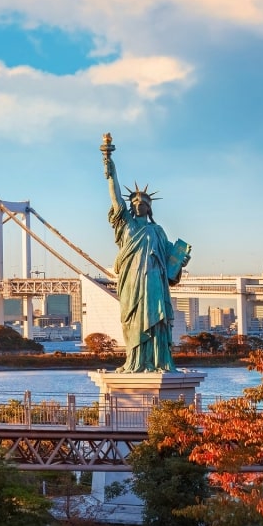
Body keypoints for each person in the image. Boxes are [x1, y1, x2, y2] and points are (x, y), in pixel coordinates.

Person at [101, 133, 190, 373]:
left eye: (144, 202)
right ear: (131, 207)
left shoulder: (157, 230)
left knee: (156, 320)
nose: (139, 204)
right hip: (131, 282)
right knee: (132, 320)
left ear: (149, 207)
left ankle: (158, 361)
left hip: (154, 283)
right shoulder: (125, 225)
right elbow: (115, 196)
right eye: (136, 202)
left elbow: (171, 263)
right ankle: (135, 361)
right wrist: (108, 161)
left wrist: (181, 261)